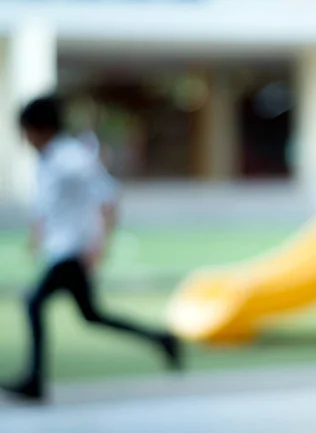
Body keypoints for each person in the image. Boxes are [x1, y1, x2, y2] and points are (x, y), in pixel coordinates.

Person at [1, 95, 181, 402]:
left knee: (33, 303)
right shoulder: (47, 160)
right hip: (60, 250)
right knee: (92, 315)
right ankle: (162, 339)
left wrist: (100, 246)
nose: (25, 139)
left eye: (26, 131)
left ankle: (35, 381)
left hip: (74, 251)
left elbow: (108, 197)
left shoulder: (72, 159)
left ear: (40, 129)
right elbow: (51, 205)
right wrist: (38, 234)